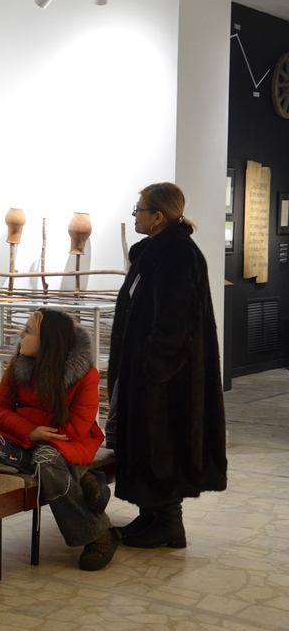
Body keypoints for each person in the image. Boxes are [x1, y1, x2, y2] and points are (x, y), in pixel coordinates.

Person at [107, 182, 227, 549]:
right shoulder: (154, 252)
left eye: (139, 210)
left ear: (158, 217)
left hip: (165, 379)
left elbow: (176, 322)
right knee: (148, 444)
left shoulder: (175, 254)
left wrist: (152, 369)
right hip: (146, 373)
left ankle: (169, 524)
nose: (135, 215)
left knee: (163, 444)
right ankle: (151, 517)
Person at [0, 308, 119, 571]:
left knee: (47, 461)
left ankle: (98, 534)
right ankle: (85, 478)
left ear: (48, 340)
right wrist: (30, 431)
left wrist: (32, 428)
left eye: (28, 331)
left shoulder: (85, 374)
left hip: (71, 440)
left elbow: (77, 428)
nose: (20, 335)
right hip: (26, 437)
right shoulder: (19, 364)